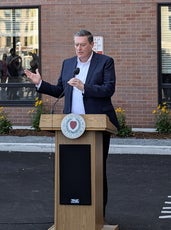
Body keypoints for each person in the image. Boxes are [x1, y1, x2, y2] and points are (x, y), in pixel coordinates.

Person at [24, 29, 120, 219]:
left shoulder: (105, 62)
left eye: (83, 44)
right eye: (76, 44)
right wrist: (40, 84)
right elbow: (61, 90)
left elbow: (108, 89)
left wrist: (85, 87)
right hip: (70, 127)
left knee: (96, 171)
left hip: (96, 127)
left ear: (91, 44)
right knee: (72, 171)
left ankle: (99, 216)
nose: (79, 48)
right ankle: (72, 215)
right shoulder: (68, 64)